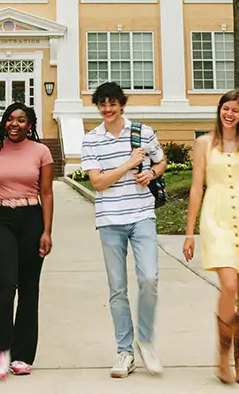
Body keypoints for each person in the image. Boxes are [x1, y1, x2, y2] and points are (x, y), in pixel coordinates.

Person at [182, 89, 239, 384]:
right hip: (216, 216)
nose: (229, 114)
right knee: (230, 284)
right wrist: (189, 232)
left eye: (235, 109)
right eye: (225, 108)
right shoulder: (204, 143)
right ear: (219, 110)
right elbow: (197, 188)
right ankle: (222, 355)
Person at [80, 82, 166, 379]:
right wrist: (128, 165)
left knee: (149, 278)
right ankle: (125, 352)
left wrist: (151, 172)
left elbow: (161, 160)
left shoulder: (143, 132)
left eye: (112, 103)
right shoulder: (91, 139)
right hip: (110, 220)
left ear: (122, 104)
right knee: (118, 289)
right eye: (102, 104)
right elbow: (98, 183)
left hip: (142, 215)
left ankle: (146, 341)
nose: (107, 109)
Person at [0, 103, 54, 380]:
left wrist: (47, 231)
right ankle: (0, 351)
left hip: (31, 218)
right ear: (4, 122)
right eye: (10, 119)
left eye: (21, 120)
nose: (14, 124)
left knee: (29, 288)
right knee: (6, 284)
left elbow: (47, 193)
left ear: (30, 125)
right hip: (0, 219)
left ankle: (23, 356)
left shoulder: (41, 152)